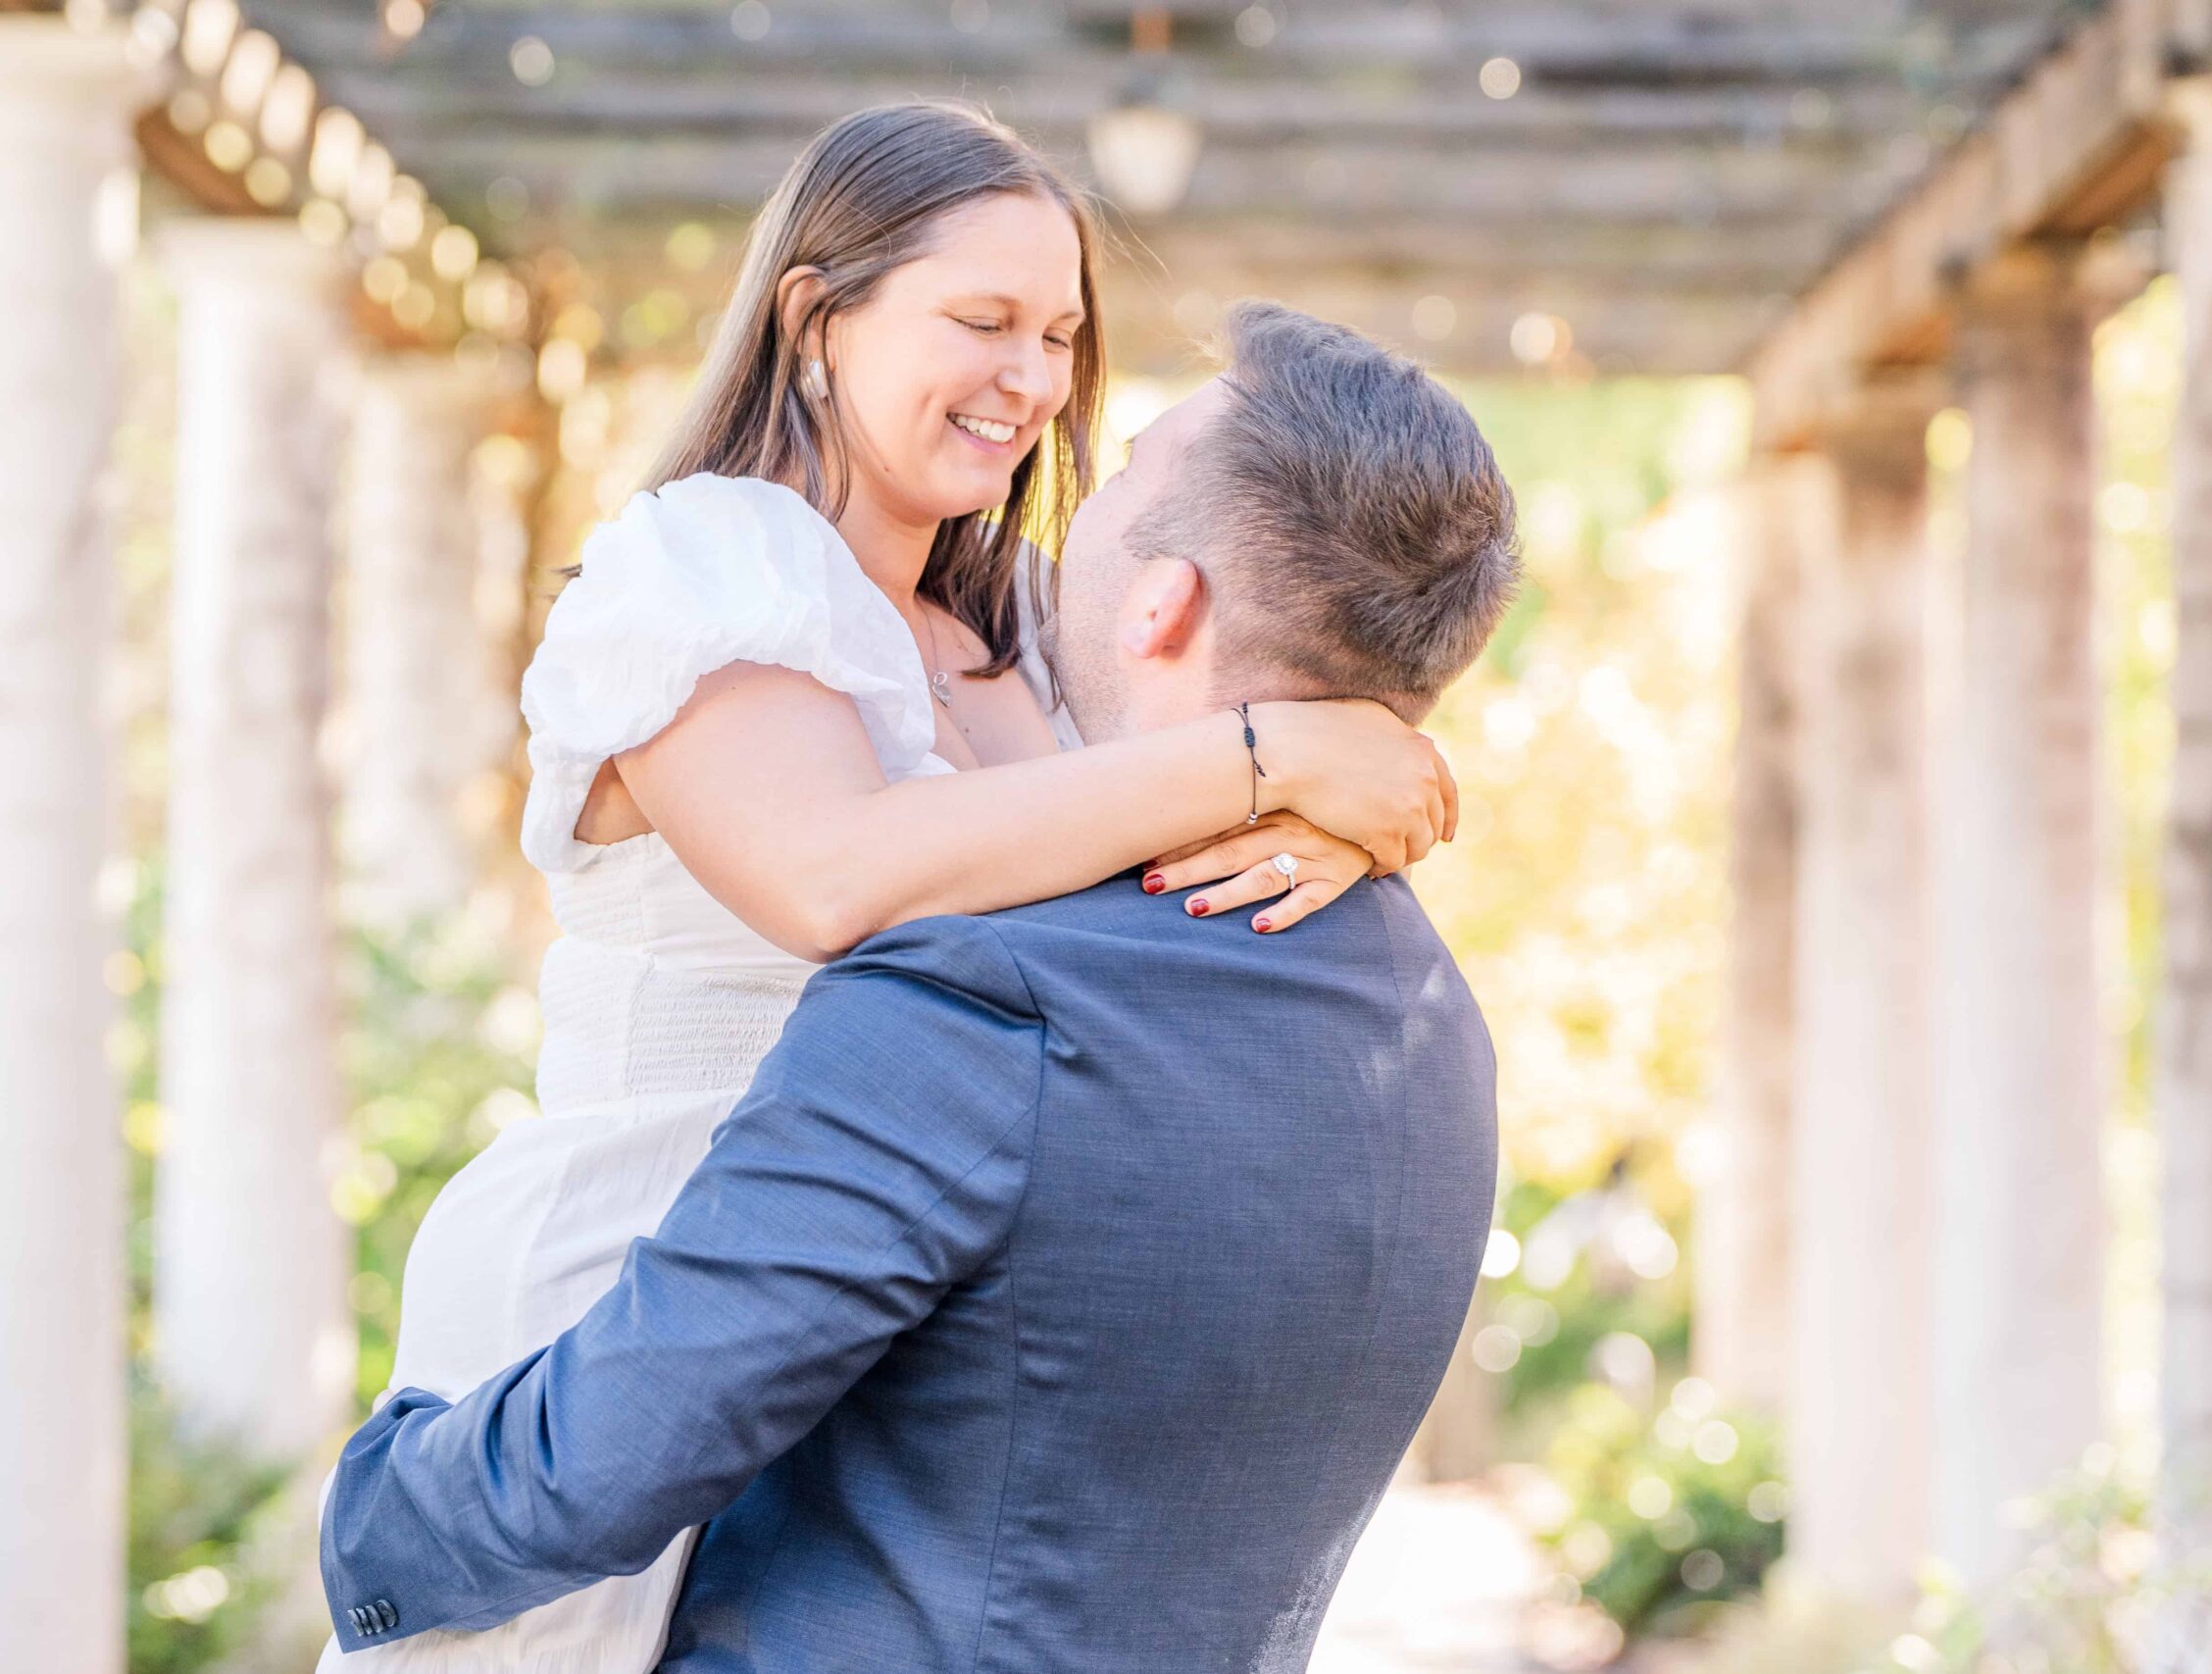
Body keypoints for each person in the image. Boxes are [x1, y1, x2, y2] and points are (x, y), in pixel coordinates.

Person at [318, 107, 1457, 1674]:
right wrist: (1277, 756)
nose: (1036, 380)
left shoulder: (1019, 629)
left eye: (1060, 334)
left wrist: (1329, 808)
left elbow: (1197, 698)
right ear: (816, 316)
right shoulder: (710, 573)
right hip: (629, 1300)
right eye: (981, 322)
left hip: (871, 1318)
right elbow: (829, 879)